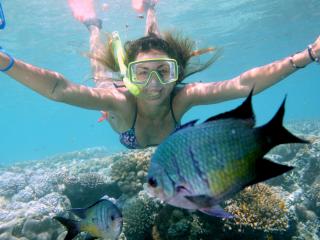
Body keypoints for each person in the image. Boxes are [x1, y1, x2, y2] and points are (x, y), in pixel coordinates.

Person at [0, 0, 319, 149]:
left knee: (155, 44)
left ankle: (150, 9)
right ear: (128, 75)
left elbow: (242, 85)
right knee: (99, 73)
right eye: (141, 73)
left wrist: (308, 55)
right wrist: (4, 61)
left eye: (163, 72)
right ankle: (94, 25)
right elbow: (58, 88)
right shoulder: (120, 100)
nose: (154, 85)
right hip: (115, 94)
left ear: (176, 74)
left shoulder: (183, 96)